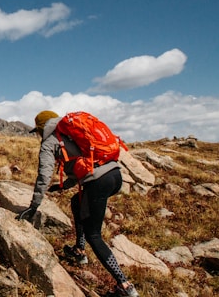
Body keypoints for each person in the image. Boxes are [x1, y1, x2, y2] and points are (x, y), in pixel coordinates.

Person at [17, 110, 139, 297]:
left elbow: (44, 174)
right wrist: (64, 185)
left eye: (38, 131)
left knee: (94, 235)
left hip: (98, 181)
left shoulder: (49, 141)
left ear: (41, 128)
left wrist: (34, 205)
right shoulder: (71, 131)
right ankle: (79, 250)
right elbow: (83, 164)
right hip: (115, 175)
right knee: (77, 201)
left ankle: (125, 286)